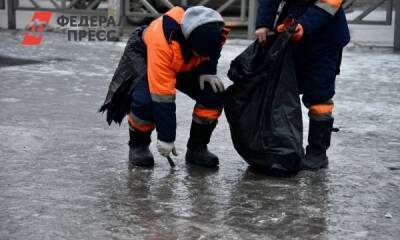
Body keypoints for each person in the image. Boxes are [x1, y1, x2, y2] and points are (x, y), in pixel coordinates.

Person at [125, 6, 229, 168]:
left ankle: (197, 149)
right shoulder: (161, 41)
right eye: (201, 54)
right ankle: (139, 145)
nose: (204, 57)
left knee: (213, 94)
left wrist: (207, 70)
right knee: (146, 101)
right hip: (147, 55)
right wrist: (167, 137)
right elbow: (163, 96)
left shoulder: (213, 28)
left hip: (184, 59)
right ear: (189, 42)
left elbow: (214, 49)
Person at [255, 0, 350, 170]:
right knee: (281, 90)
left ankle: (317, 152)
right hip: (292, 33)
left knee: (319, 94)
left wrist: (304, 25)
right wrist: (263, 23)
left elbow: (327, 4)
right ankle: (280, 146)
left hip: (325, 40)